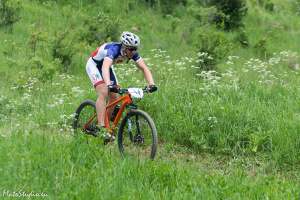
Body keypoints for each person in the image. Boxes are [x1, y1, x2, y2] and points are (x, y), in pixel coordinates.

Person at [85, 31, 157, 140]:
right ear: (124, 47)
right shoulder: (113, 50)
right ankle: (100, 126)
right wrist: (109, 84)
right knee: (104, 91)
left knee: (115, 97)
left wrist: (151, 84)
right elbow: (105, 67)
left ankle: (106, 129)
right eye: (131, 49)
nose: (134, 52)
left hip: (107, 67)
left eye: (135, 49)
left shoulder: (132, 53)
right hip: (94, 65)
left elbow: (144, 68)